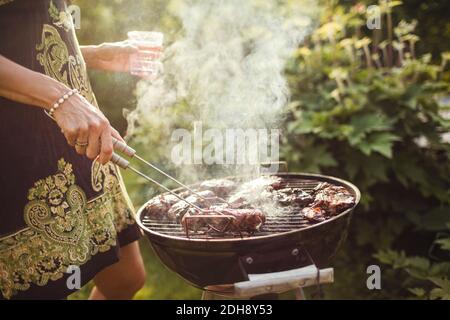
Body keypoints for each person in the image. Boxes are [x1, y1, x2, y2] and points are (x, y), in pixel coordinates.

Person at [0, 0, 146, 299]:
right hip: (16, 136)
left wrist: (88, 55)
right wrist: (60, 98)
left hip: (70, 125)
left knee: (125, 277)